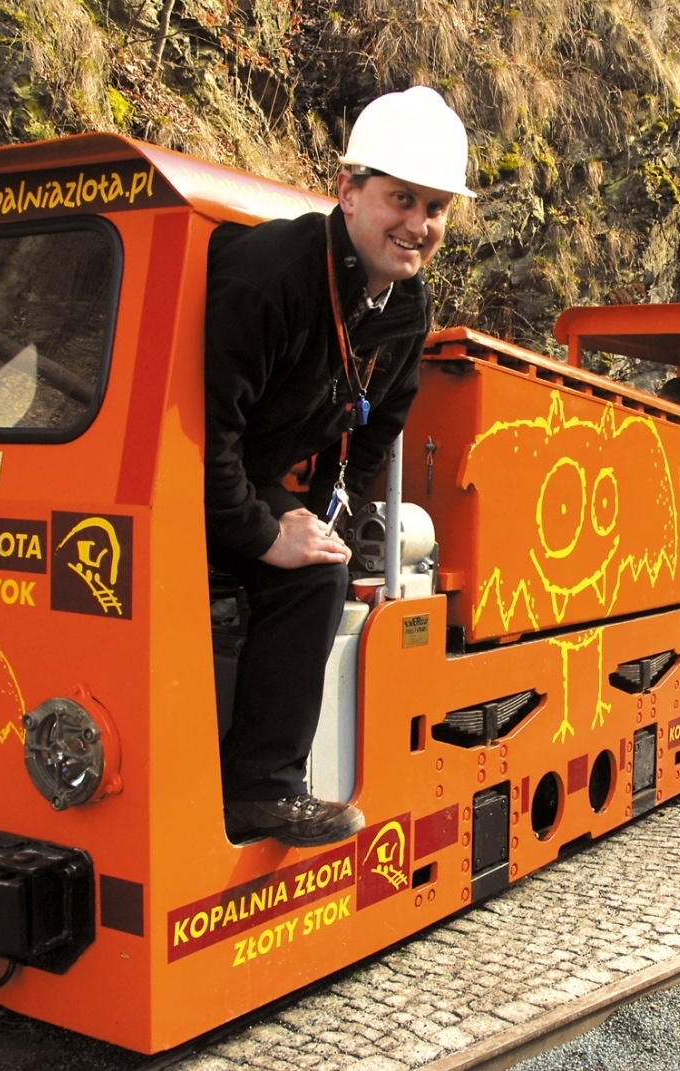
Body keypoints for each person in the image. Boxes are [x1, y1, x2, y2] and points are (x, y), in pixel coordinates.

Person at [204, 86, 474, 847]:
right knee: (301, 570)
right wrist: (263, 533)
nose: (418, 225)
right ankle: (255, 786)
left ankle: (258, 789)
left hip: (238, 472)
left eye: (435, 207)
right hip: (167, 468)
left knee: (319, 566)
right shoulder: (268, 276)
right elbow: (200, 429)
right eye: (400, 198)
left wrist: (330, 517)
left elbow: (378, 428)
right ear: (348, 191)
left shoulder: (405, 306)